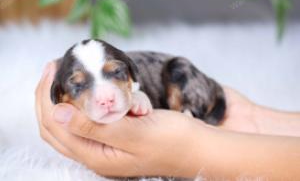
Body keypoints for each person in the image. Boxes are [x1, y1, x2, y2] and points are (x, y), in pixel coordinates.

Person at [35, 62, 300, 180]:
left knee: (177, 76)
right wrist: (255, 122)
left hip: (181, 85)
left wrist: (198, 151)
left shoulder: (142, 80)